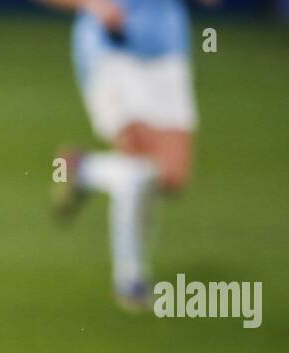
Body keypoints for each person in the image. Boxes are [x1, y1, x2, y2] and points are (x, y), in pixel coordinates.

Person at [38, 0, 211, 309]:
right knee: (138, 165)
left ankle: (83, 168)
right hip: (111, 48)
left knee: (172, 176)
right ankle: (130, 279)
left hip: (168, 48)